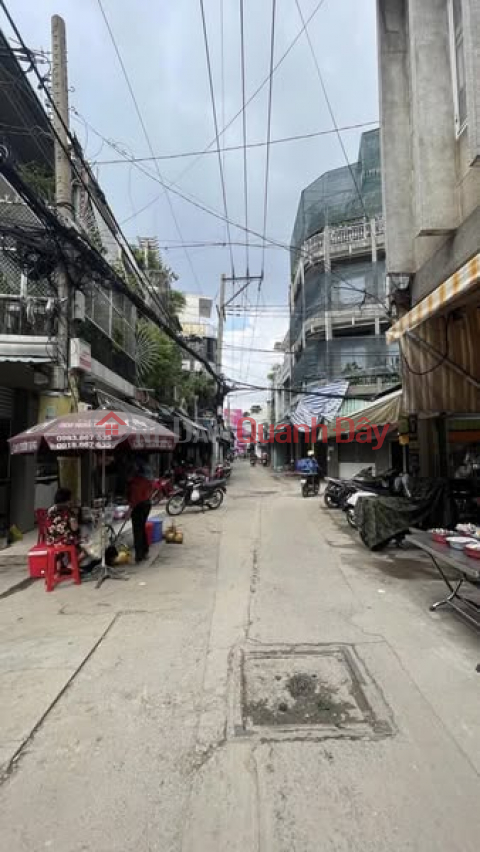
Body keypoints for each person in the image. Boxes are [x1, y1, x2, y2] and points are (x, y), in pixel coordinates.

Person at [127, 458, 153, 563]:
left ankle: (139, 555)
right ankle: (145, 551)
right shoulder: (146, 480)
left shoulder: (135, 483)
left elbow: (135, 499)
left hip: (139, 506)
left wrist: (129, 510)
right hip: (147, 504)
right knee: (141, 528)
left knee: (137, 530)